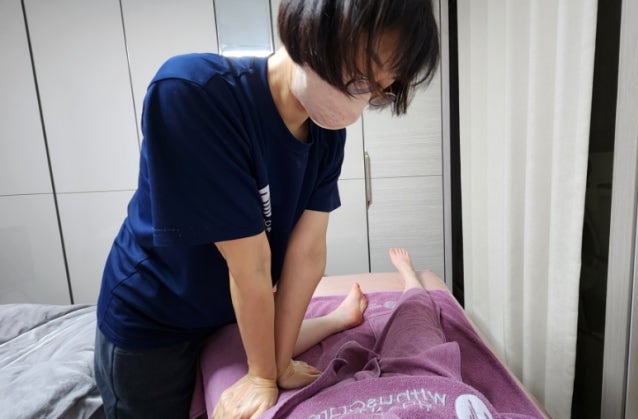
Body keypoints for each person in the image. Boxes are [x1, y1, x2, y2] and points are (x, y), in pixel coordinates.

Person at [93, 0, 440, 418]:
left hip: (226, 312)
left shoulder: (326, 134)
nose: (362, 105)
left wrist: (278, 364)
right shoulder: (193, 92)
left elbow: (307, 253)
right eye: (362, 79)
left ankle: (336, 319)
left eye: (381, 90)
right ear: (313, 32)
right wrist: (263, 375)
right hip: (155, 318)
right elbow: (251, 264)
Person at [200, 248, 502, 418]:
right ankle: (410, 279)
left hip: (326, 405)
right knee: (416, 318)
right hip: (425, 384)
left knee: (240, 346)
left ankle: (339, 318)